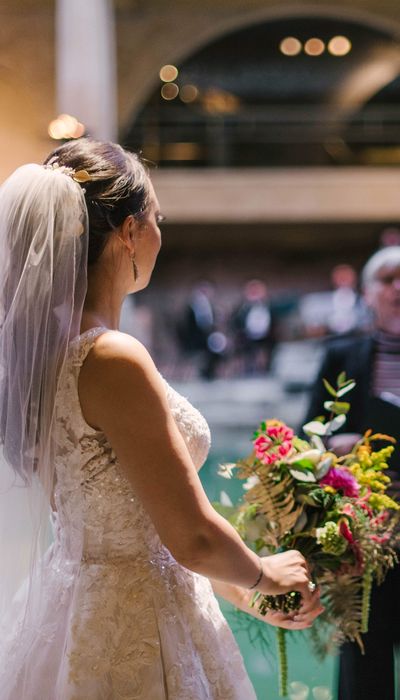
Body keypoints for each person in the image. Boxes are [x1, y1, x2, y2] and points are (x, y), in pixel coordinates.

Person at [0, 139, 323, 700]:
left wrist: (245, 591)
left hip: (82, 600)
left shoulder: (51, 354)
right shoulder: (111, 356)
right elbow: (190, 534)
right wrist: (267, 573)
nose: (159, 234)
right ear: (128, 232)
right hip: (138, 627)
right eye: (155, 218)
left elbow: (138, 520)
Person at [304, 246, 400, 700]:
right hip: (364, 535)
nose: (397, 287)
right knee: (363, 661)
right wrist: (332, 449)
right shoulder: (341, 355)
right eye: (387, 278)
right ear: (366, 292)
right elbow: (309, 438)